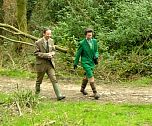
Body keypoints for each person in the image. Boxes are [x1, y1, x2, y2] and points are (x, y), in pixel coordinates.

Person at [34, 28, 65, 100]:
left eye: (50, 34)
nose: (49, 36)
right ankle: (36, 96)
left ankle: (59, 95)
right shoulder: (38, 42)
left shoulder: (51, 41)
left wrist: (52, 53)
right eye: (47, 34)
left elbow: (54, 50)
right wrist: (46, 55)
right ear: (44, 34)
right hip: (41, 65)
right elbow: (36, 53)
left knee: (54, 79)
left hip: (50, 64)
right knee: (39, 80)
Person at [74, 28, 100, 100]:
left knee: (87, 75)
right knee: (90, 75)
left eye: (91, 35)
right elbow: (78, 54)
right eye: (88, 35)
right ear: (85, 35)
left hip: (92, 61)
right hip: (85, 62)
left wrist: (96, 56)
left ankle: (82, 89)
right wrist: (75, 63)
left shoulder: (94, 41)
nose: (90, 37)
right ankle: (95, 92)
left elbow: (96, 51)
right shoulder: (82, 43)